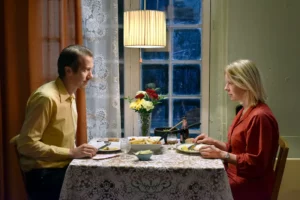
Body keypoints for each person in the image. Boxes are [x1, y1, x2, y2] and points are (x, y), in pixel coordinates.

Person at [17, 45, 98, 200]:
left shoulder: (70, 93)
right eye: (86, 70)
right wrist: (71, 153)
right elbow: (25, 144)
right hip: (45, 175)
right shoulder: (46, 98)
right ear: (68, 71)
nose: (91, 76)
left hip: (62, 168)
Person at [194, 59, 279, 200]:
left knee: (197, 188)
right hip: (235, 176)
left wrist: (221, 154)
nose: (226, 88)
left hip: (250, 186)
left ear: (245, 84)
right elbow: (237, 150)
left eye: (230, 83)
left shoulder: (260, 117)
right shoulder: (244, 110)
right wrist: (214, 142)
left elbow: (255, 164)